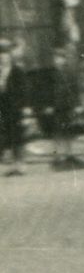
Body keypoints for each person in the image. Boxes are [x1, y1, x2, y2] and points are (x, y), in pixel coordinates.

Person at [39, 47, 84, 171]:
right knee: (57, 132)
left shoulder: (70, 74)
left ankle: (69, 154)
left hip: (68, 106)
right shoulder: (49, 74)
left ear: (64, 59)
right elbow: (46, 92)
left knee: (68, 131)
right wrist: (47, 105)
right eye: (55, 58)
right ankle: (58, 156)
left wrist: (78, 105)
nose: (57, 61)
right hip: (55, 107)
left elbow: (75, 90)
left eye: (60, 58)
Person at [0, 40, 29, 176]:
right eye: (1, 54)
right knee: (8, 137)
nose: (3, 57)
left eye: (5, 54)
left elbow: (24, 91)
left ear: (10, 56)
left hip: (16, 108)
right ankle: (13, 165)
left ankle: (20, 164)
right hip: (3, 109)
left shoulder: (17, 71)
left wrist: (24, 107)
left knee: (18, 136)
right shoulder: (0, 71)